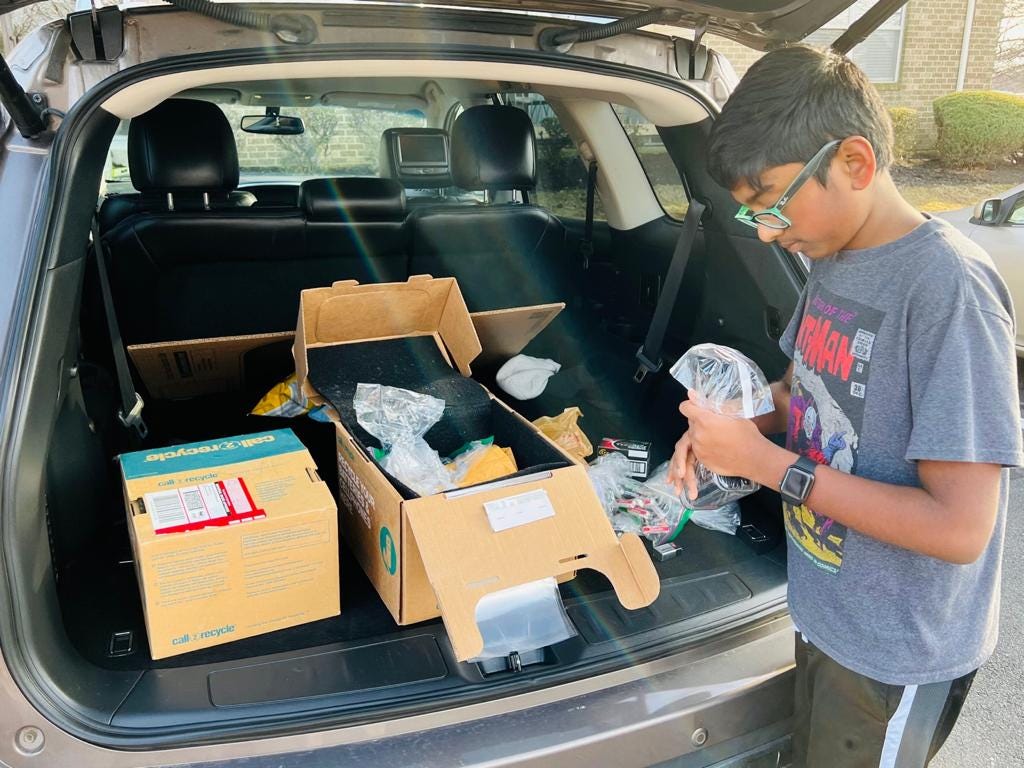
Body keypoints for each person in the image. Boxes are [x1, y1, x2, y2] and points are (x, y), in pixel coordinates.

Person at [667, 45, 1022, 768]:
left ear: (854, 162)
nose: (765, 230)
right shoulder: (832, 256)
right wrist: (730, 429)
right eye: (750, 210)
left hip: (896, 652)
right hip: (830, 613)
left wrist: (772, 467)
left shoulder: (948, 292)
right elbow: (803, 390)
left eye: (772, 199)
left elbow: (960, 528)